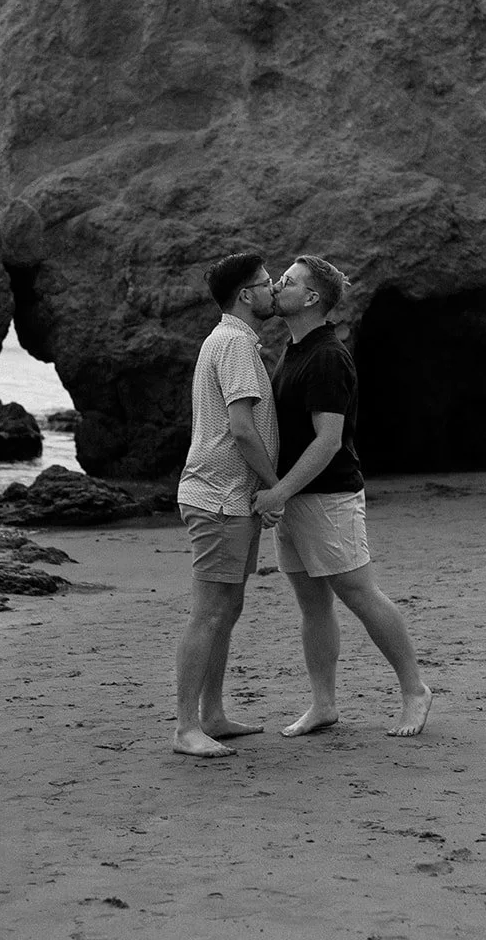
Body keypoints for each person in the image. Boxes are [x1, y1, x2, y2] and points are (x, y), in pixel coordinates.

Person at [254, 255, 432, 739]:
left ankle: (415, 690)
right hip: (293, 498)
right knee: (312, 604)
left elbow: (328, 440)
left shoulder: (328, 355)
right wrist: (275, 490)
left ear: (311, 298)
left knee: (359, 593)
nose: (277, 287)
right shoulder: (295, 348)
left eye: (286, 282)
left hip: (328, 496)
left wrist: (279, 492)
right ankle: (324, 705)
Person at [174, 250, 282, 758]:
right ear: (245, 294)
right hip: (217, 499)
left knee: (227, 607)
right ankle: (186, 728)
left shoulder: (233, 340)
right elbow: (241, 429)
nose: (272, 290)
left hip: (232, 500)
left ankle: (212, 714)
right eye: (265, 283)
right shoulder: (235, 344)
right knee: (209, 612)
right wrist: (275, 485)